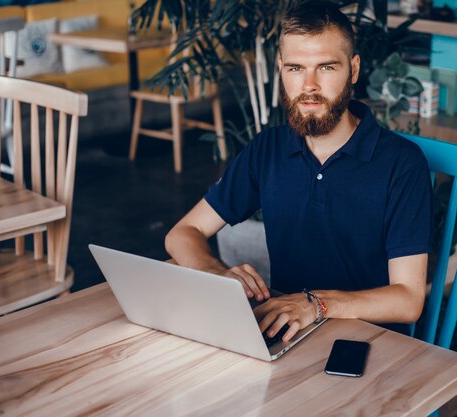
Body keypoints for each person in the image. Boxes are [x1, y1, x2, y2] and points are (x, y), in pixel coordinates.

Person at [165, 0, 432, 342]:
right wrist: (217, 273)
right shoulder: (268, 149)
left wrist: (316, 305)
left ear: (353, 69)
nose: (308, 86)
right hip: (289, 334)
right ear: (280, 69)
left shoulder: (401, 163)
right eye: (295, 68)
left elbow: (408, 300)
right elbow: (181, 233)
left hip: (370, 345)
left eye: (325, 68)